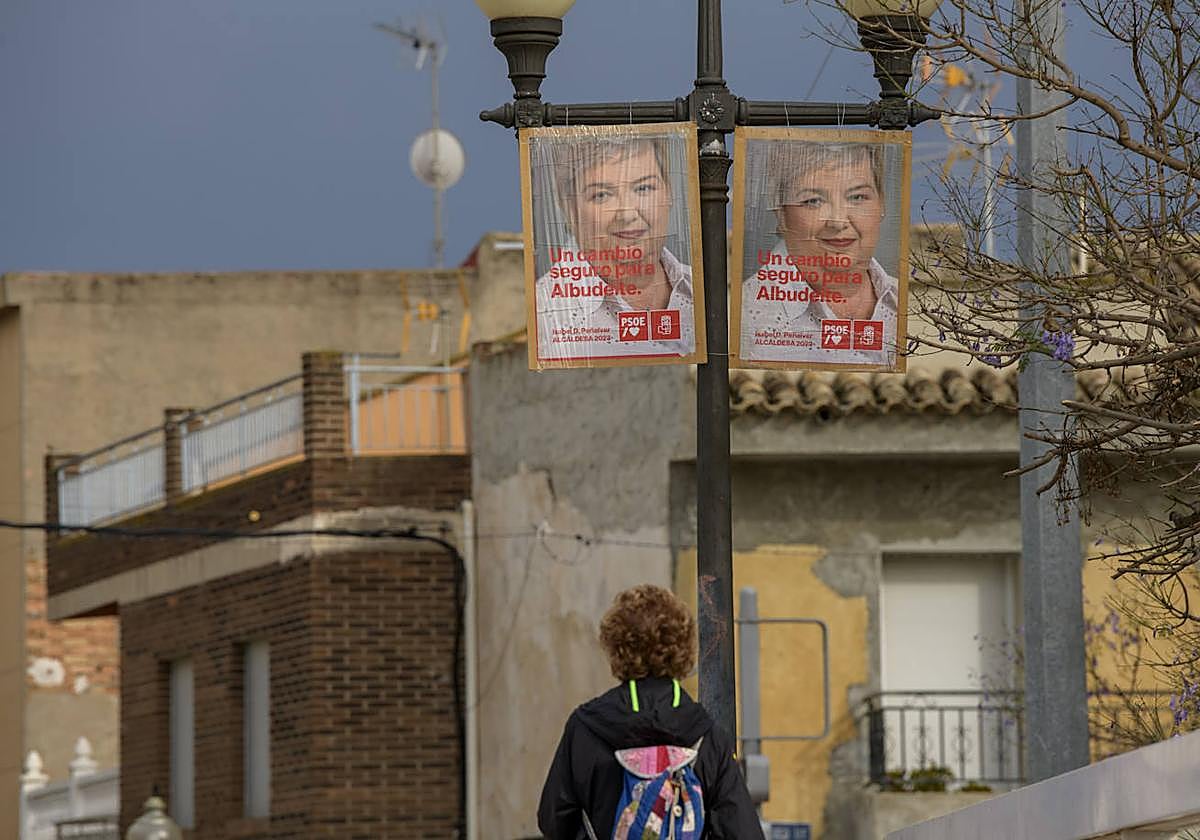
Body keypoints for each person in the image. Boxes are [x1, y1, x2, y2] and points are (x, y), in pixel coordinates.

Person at [537, 584, 764, 840]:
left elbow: (553, 820)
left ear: (616, 646)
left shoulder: (585, 728)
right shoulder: (708, 735)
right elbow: (743, 831)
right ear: (684, 648)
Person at [534, 135, 696, 363]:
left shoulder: (710, 294)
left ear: (668, 193)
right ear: (569, 208)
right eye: (601, 195)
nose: (627, 214)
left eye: (644, 188)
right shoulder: (541, 313)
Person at [739, 140, 899, 368]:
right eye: (813, 201)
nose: (838, 221)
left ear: (881, 204)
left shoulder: (907, 304)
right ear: (781, 214)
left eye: (857, 197)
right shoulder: (743, 317)